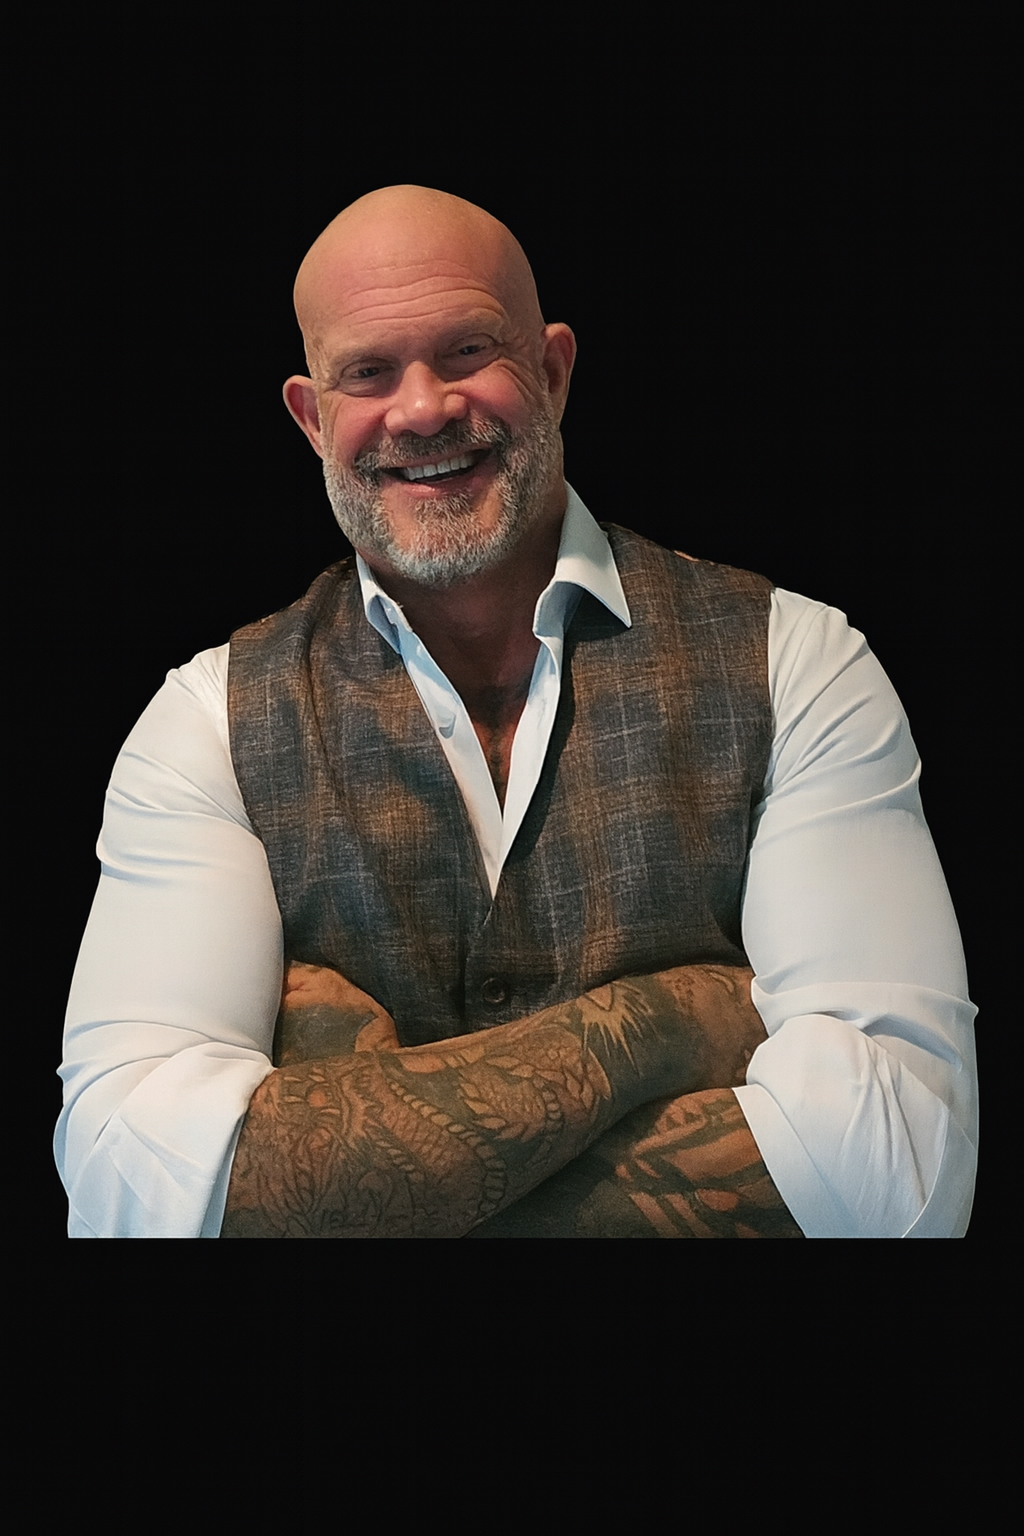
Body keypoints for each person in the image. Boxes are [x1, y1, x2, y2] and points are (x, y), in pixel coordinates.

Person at [56, 186, 978, 1238]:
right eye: (368, 371)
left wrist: (330, 1143)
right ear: (313, 417)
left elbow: (901, 1176)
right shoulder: (207, 719)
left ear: (550, 371)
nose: (421, 408)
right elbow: (129, 1189)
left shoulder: (796, 661)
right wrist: (676, 1025)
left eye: (465, 351)